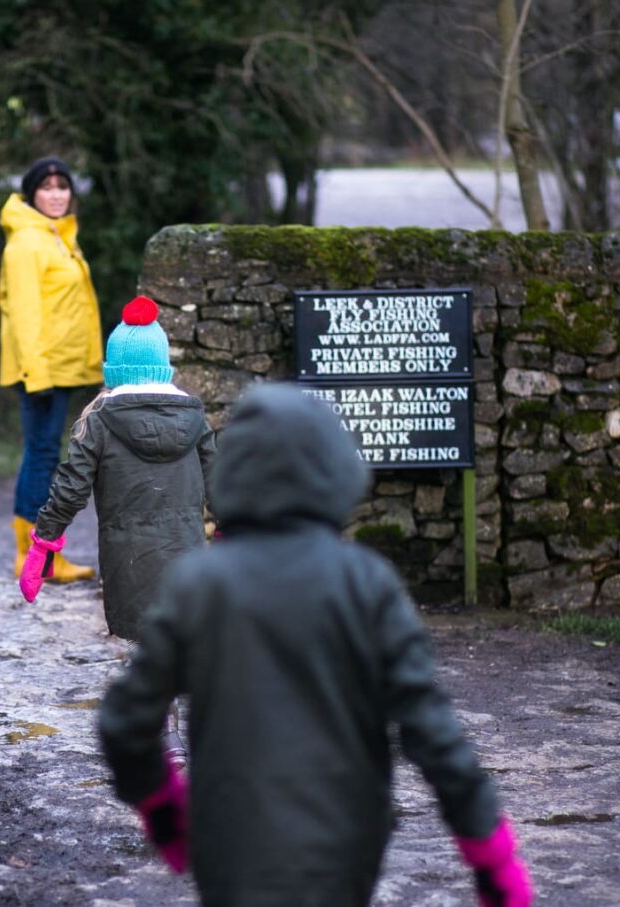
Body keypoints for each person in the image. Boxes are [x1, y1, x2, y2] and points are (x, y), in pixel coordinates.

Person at [96, 383, 534, 906]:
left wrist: (164, 809)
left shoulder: (200, 586)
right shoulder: (366, 584)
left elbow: (125, 720)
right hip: (346, 837)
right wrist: (489, 852)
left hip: (229, 841)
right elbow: (430, 727)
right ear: (334, 470)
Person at [19, 296, 216, 766]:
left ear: (114, 368)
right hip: (189, 550)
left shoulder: (99, 420)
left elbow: (69, 487)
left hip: (130, 555)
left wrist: (44, 543)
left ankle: (164, 732)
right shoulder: (193, 417)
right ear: (162, 365)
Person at [0, 156, 102, 583]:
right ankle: (35, 557)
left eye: (63, 187)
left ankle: (39, 555)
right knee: (42, 455)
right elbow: (23, 313)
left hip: (63, 367)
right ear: (32, 194)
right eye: (47, 187)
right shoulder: (27, 242)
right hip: (42, 371)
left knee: (44, 453)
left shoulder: (58, 237)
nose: (57, 194)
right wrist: (36, 374)